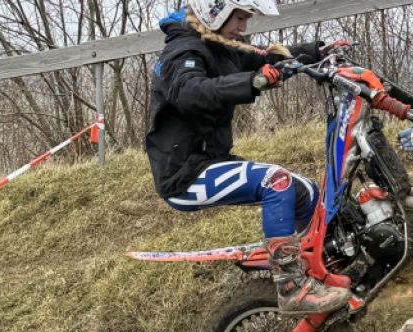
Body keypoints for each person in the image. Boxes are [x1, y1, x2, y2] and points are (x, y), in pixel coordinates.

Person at [145, 0, 352, 314]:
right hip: (182, 175)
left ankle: (322, 269)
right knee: (276, 182)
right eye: (239, 18)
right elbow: (190, 91)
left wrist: (317, 50)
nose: (243, 27)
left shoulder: (219, 45)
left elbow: (266, 58)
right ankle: (291, 287)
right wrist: (251, 82)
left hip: (211, 161)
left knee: (306, 192)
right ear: (213, 12)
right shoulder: (182, 52)